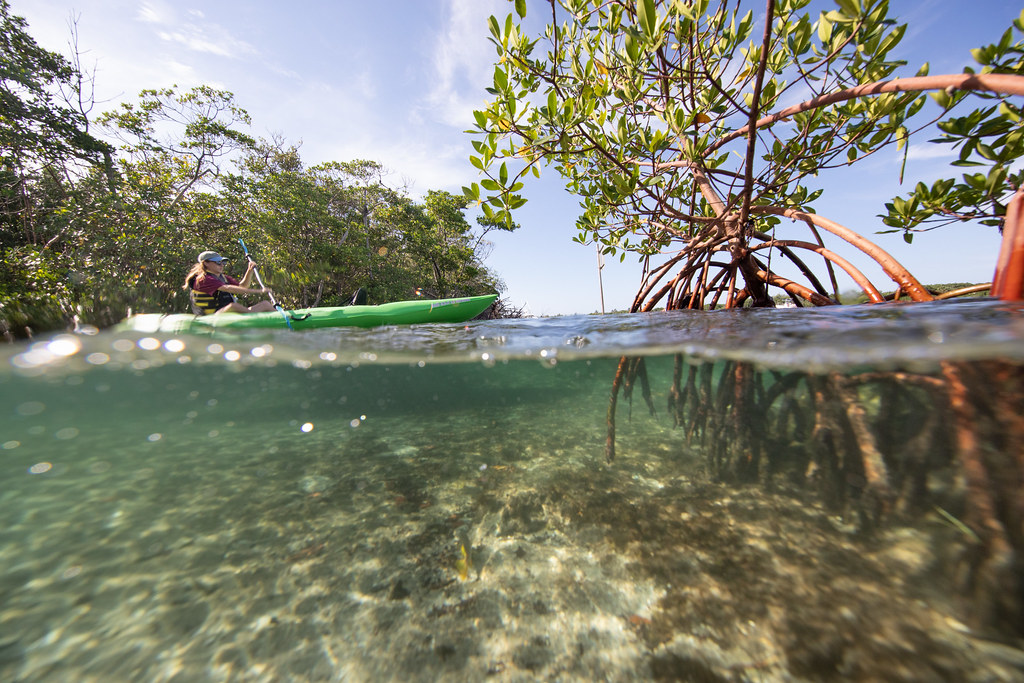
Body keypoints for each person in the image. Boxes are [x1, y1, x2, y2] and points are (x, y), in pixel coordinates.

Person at [183, 250, 278, 315]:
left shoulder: (223, 277)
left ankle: (283, 320)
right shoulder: (203, 280)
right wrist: (258, 291)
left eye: (223, 262)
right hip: (211, 316)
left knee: (265, 304)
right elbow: (228, 288)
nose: (222, 265)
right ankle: (252, 319)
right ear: (206, 263)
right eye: (218, 263)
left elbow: (242, 286)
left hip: (225, 312)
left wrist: (249, 270)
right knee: (234, 306)